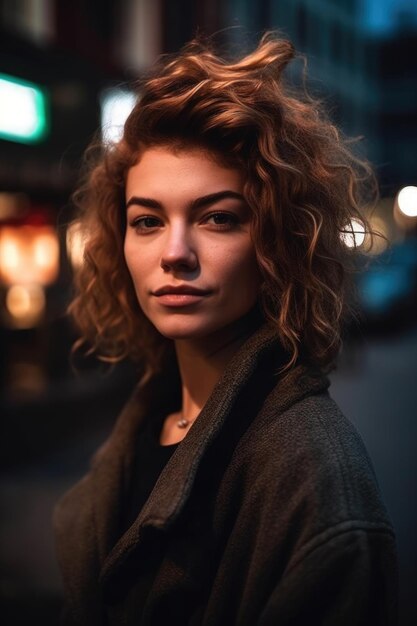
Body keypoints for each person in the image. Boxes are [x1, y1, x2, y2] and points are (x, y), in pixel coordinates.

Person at [54, 33, 398, 625]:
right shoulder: (150, 417)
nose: (175, 253)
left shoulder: (313, 479)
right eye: (147, 221)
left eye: (218, 218)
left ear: (278, 243)